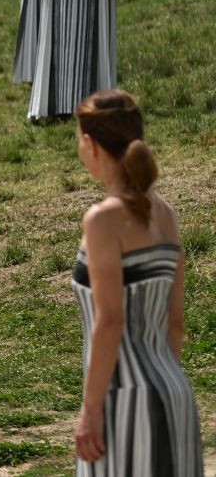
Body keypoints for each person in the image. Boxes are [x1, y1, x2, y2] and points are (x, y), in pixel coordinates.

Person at [71, 89, 201, 474]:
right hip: (174, 391)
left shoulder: (103, 219)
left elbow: (110, 320)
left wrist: (91, 410)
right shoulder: (166, 214)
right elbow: (174, 324)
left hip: (122, 400)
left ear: (91, 144)